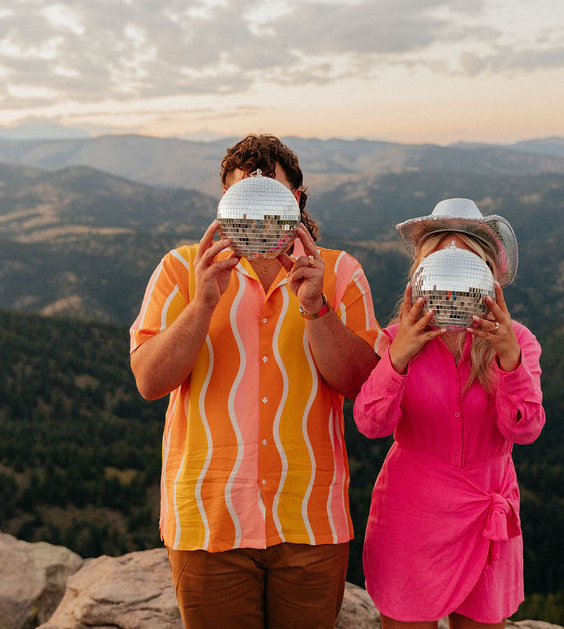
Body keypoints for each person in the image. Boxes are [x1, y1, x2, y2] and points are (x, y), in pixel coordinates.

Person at [129, 134, 382, 628]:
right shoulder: (181, 270)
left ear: (298, 201)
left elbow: (360, 385)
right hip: (208, 518)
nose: (256, 214)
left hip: (310, 516)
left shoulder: (341, 272)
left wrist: (316, 307)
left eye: (271, 198)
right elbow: (150, 380)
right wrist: (203, 302)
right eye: (242, 200)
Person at [353, 198, 545, 628]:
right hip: (411, 515)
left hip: (485, 516)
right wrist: (398, 358)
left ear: (487, 275)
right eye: (442, 258)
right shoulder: (395, 340)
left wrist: (509, 360)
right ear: (424, 271)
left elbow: (526, 429)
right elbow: (370, 424)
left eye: (468, 259)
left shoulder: (519, 342)